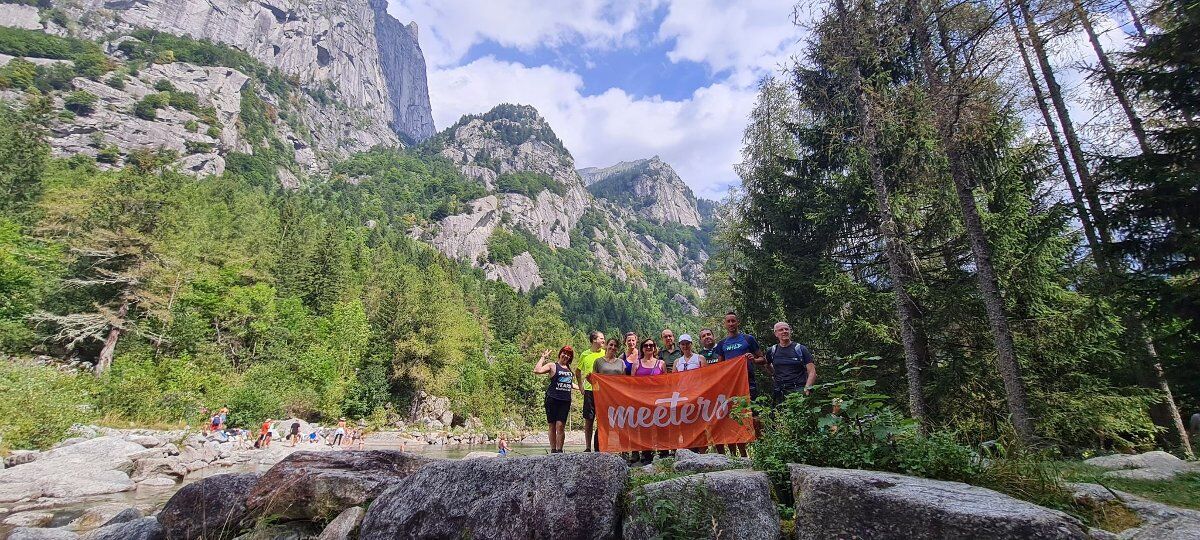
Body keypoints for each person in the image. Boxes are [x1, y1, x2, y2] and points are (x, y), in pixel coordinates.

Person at [715, 312, 764, 457]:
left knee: (754, 417)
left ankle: (761, 450)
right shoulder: (722, 344)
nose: (731, 324)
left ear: (738, 322)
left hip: (749, 383)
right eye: (728, 321)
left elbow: (763, 358)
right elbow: (719, 367)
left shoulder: (748, 339)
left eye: (733, 321)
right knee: (735, 418)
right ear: (725, 324)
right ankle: (743, 456)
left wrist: (754, 360)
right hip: (731, 387)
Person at [535, 346, 577, 453]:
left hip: (565, 401)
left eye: (568, 355)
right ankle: (553, 450)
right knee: (552, 425)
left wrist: (582, 389)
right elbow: (537, 370)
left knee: (561, 426)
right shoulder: (552, 366)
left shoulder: (569, 369)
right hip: (552, 399)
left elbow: (569, 383)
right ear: (560, 354)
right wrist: (543, 357)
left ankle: (560, 450)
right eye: (564, 353)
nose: (566, 356)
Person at [632, 338, 668, 464]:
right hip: (641, 400)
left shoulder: (661, 364)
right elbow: (631, 384)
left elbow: (666, 383)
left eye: (651, 345)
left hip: (658, 399)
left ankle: (664, 452)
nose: (649, 347)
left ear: (655, 348)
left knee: (661, 425)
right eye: (646, 345)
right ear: (642, 348)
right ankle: (646, 454)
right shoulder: (636, 364)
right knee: (644, 426)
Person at [590, 337, 629, 452]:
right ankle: (600, 450)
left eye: (615, 346)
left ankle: (624, 452)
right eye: (611, 345)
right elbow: (594, 381)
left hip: (618, 398)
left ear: (617, 348)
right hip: (603, 398)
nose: (613, 347)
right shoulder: (598, 362)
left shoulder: (621, 363)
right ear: (606, 345)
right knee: (603, 424)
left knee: (621, 424)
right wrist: (596, 393)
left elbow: (624, 381)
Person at [765, 321, 817, 403]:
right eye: (781, 330)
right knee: (780, 415)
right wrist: (774, 374)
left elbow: (812, 371)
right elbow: (767, 364)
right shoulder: (772, 351)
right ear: (776, 334)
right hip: (780, 391)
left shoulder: (800, 349)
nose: (784, 331)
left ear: (790, 331)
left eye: (786, 329)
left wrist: (807, 388)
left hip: (798, 390)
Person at [575, 331, 606, 452]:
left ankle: (600, 447)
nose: (604, 340)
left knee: (602, 420)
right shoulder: (585, 354)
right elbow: (578, 371)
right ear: (594, 340)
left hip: (603, 391)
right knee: (589, 420)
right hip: (589, 390)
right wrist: (580, 387)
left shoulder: (605, 353)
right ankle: (587, 447)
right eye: (601, 338)